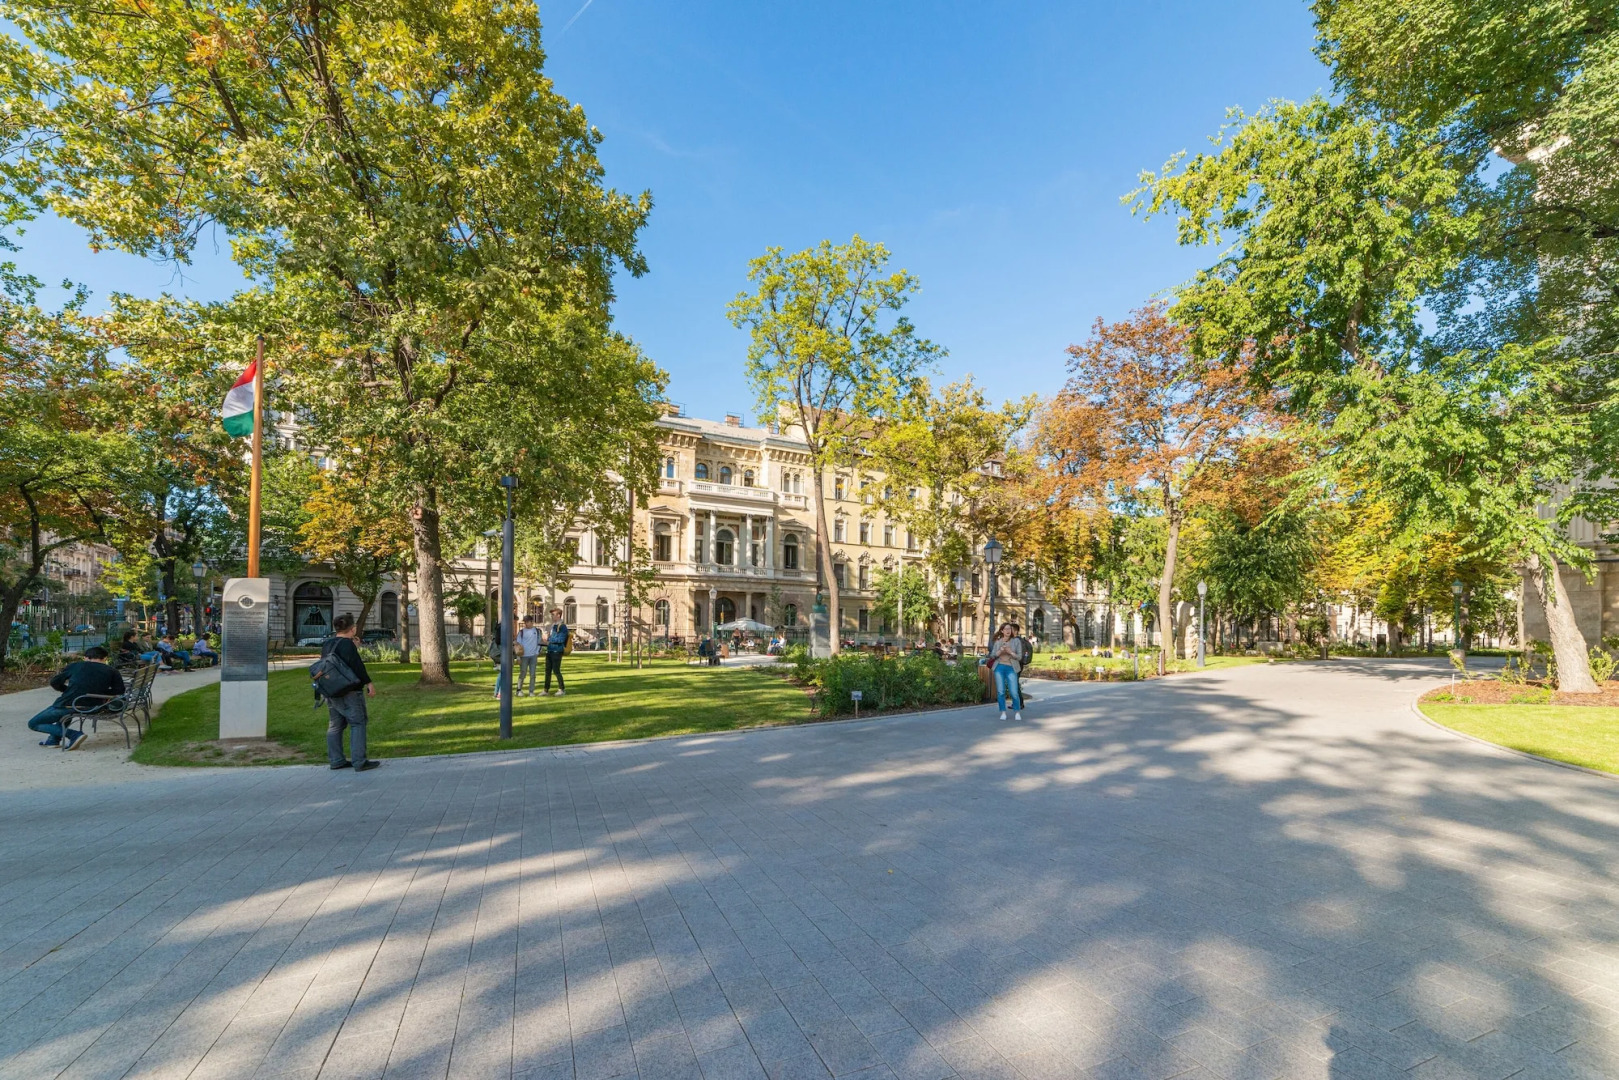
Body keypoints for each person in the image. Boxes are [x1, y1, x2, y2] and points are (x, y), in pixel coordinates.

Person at [29, 646, 124, 751]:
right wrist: (99, 693)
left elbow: (54, 682)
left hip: (71, 704)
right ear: (105, 658)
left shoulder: (76, 666)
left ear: (86, 658)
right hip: (96, 706)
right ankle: (53, 740)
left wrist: (65, 690)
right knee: (64, 713)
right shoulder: (112, 671)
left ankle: (74, 735)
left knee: (34, 723)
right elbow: (119, 690)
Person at [323, 613, 379, 772]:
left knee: (335, 725)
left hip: (332, 690)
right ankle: (360, 761)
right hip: (350, 691)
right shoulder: (347, 644)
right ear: (352, 628)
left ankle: (336, 760)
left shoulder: (328, 644)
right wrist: (369, 683)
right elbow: (356, 666)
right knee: (358, 723)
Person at [989, 622, 1026, 721]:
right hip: (999, 668)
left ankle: (1017, 711)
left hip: (1011, 668)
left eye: (1009, 629)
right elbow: (992, 655)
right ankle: (1003, 712)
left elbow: (1019, 657)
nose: (1008, 631)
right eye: (1006, 629)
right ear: (1002, 631)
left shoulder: (1016, 641)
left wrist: (1011, 652)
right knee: (1000, 691)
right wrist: (1000, 651)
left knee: (1014, 691)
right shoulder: (998, 642)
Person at [543, 607, 570, 695]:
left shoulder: (562, 626)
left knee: (556, 670)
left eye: (553, 615)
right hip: (550, 650)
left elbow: (561, 639)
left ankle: (561, 689)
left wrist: (549, 640)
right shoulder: (552, 626)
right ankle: (545, 690)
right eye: (551, 615)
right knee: (547, 671)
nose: (552, 616)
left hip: (557, 651)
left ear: (558, 615)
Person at [517, 615, 542, 696]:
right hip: (524, 656)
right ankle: (519, 690)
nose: (526, 624)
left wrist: (537, 652)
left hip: (533, 656)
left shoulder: (537, 631)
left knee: (532, 674)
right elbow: (518, 645)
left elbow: (539, 642)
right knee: (523, 673)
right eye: (525, 622)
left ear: (532, 622)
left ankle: (531, 691)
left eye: (527, 622)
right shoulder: (521, 632)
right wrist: (518, 657)